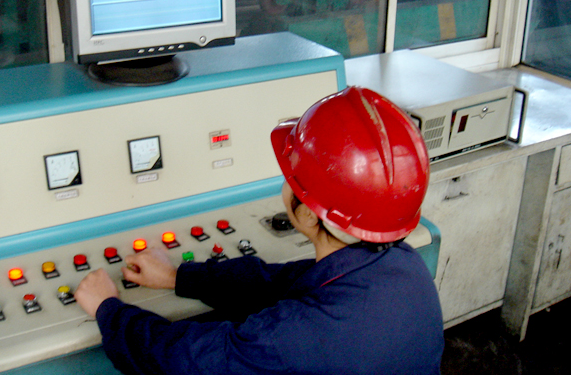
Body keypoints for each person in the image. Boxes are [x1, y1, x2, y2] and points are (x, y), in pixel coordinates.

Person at [75, 86, 444, 375]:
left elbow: (183, 360)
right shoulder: (403, 265)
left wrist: (108, 310)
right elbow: (276, 282)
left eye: (292, 177)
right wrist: (178, 277)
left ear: (310, 214)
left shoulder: (290, 339)